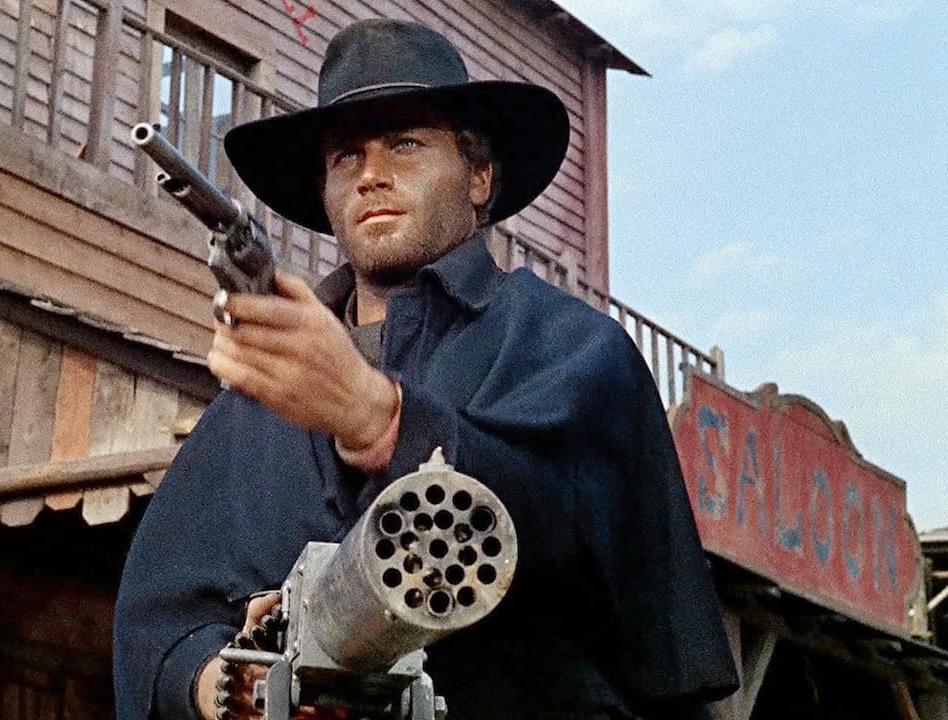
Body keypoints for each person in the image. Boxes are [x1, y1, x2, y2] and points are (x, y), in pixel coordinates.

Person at [114, 18, 738, 720]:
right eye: (346, 157)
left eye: (405, 143)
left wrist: (381, 422)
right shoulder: (255, 403)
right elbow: (157, 622)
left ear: (479, 176)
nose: (371, 175)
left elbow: (583, 547)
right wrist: (231, 684)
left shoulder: (575, 348)